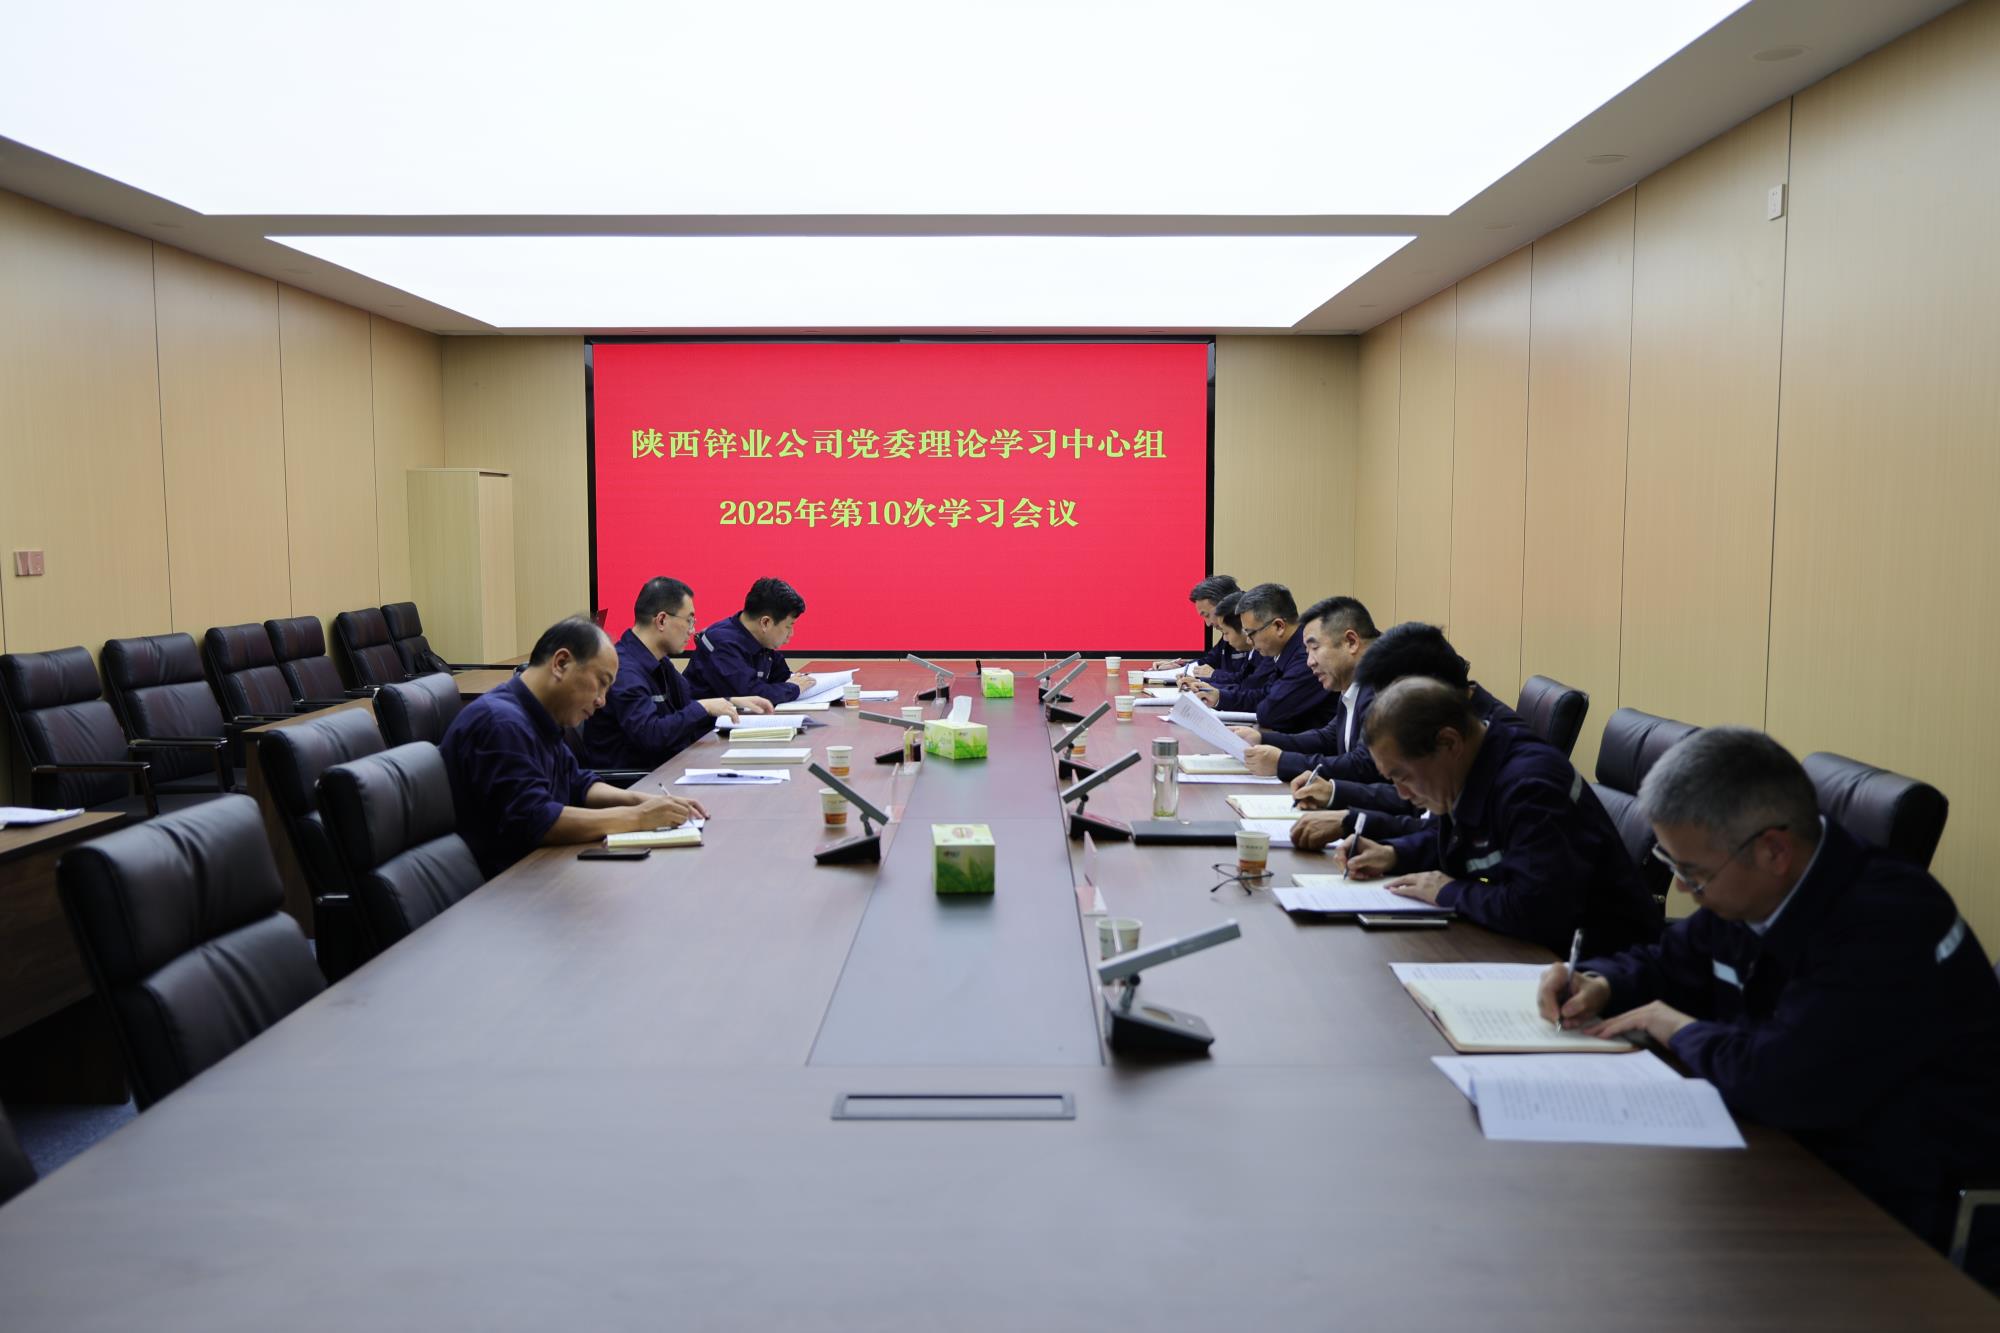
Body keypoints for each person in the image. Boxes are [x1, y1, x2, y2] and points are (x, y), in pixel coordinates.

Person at [1537, 727, 2000, 1258]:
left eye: (1692, 872)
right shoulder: (1757, 894)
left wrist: (1676, 1027)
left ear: (1774, 850)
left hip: (1909, 1208)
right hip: (1800, 1154)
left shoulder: (1888, 923)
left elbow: (1778, 1079)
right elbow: (1671, 961)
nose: (1683, 888)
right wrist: (1602, 983)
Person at [1338, 676, 1660, 957]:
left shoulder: (1530, 786)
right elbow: (1456, 841)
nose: (1401, 793)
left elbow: (1537, 910)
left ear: (1449, 742)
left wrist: (1448, 892)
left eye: (1402, 776)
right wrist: (1394, 854)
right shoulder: (1472, 765)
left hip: (1595, 969)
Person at [439, 617, 706, 878]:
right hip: (507, 885)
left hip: (540, 867)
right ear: (561, 663)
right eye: (601, 682)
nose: (602, 700)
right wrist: (638, 817)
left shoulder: (537, 715)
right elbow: (536, 820)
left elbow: (577, 782)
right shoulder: (500, 723)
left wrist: (642, 800)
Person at [1284, 622, 1521, 849]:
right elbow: (1431, 820)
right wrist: (1391, 852)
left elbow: (1453, 836)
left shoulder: (1506, 759)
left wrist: (1353, 819)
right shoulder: (1455, 723)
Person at [576, 576, 776, 771]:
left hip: (668, 768)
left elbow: (684, 707)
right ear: (662, 620)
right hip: (636, 781)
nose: (692, 630)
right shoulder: (624, 670)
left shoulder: (660, 662)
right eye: (689, 620)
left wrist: (729, 702)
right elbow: (651, 735)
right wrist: (704, 707)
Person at [1231, 596, 1377, 779]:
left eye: (1315, 648)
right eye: (1307, 652)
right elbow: (1328, 738)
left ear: (1351, 642)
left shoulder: (1384, 686)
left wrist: (1282, 763)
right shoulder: (1351, 681)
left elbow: (1365, 765)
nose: (1309, 662)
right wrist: (1261, 738)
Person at [1186, 583, 1339, 732]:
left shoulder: (1306, 657)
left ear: (1279, 626)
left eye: (1251, 633)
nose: (1249, 641)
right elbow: (1263, 694)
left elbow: (1269, 712)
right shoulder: (1284, 650)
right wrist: (1219, 697)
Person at [682, 577, 816, 705]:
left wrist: (795, 683)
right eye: (788, 626)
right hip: (706, 721)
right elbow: (750, 696)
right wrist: (793, 688)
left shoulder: (761, 639)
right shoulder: (722, 643)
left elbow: (782, 678)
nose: (791, 634)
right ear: (766, 622)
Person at [1155, 574, 1240, 678]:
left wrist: (1215, 675)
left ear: (1225, 606)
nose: (1208, 624)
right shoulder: (1228, 635)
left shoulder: (1248, 638)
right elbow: (1209, 662)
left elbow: (1247, 682)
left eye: (1207, 615)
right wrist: (1181, 666)